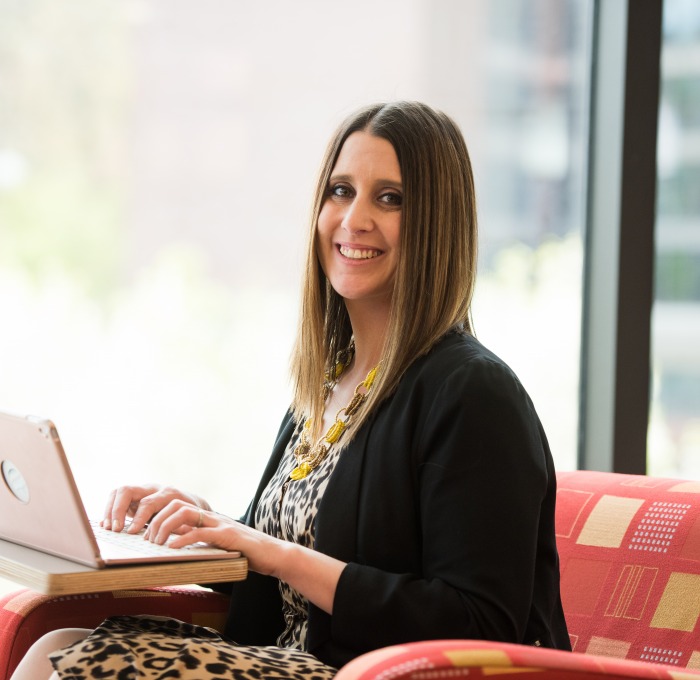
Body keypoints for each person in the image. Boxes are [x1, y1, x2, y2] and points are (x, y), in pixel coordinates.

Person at [11, 101, 570, 680]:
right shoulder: (327, 387)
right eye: (340, 190)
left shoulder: (474, 393)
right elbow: (279, 574)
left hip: (361, 674)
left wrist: (271, 551)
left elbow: (480, 625)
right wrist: (206, 530)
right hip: (292, 663)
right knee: (57, 644)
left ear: (438, 222)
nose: (354, 219)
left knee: (92, 664)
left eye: (390, 198)